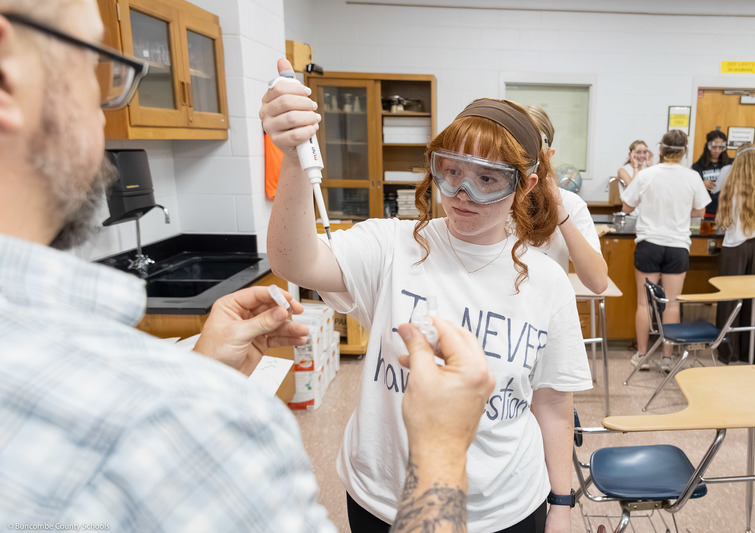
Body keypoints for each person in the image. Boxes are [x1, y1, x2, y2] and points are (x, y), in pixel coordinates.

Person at [0, 4, 495, 531]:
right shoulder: (195, 423)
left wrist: (201, 373)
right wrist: (442, 453)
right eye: (94, 67)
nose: (105, 109)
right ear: (9, 72)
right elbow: (298, 260)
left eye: (489, 179)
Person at [262, 71, 593, 533]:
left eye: (487, 179)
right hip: (385, 500)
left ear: (525, 184)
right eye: (451, 171)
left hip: (506, 506)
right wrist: (295, 159)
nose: (462, 193)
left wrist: (561, 503)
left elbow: (554, 403)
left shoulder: (547, 282)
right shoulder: (391, 245)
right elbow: (293, 260)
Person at [621, 130, 711, 371]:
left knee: (644, 303)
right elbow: (701, 212)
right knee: (671, 303)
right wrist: (680, 212)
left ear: (660, 149)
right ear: (684, 151)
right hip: (677, 247)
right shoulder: (692, 177)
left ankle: (642, 356)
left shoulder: (646, 175)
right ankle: (667, 358)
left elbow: (627, 206)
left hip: (649, 245)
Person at [524, 104, 608, 294]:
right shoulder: (493, 200)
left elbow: (598, 283)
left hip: (548, 316)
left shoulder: (570, 204)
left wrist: (560, 213)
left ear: (548, 154)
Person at [714, 144, 755, 364]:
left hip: (735, 246)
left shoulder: (730, 186)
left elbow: (723, 224)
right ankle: (751, 353)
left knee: (730, 299)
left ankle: (727, 352)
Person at [692, 130, 732, 219]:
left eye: (720, 147)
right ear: (708, 146)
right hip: (706, 212)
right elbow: (691, 187)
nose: (717, 151)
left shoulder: (730, 164)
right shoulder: (698, 166)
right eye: (714, 147)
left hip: (726, 211)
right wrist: (701, 184)